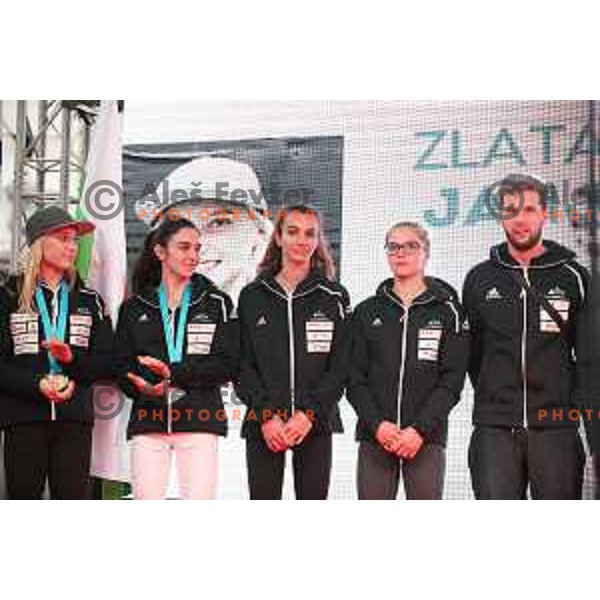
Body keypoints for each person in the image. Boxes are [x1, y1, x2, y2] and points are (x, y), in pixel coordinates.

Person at [463, 173, 598, 499]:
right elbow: (474, 355)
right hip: (494, 432)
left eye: (528, 210)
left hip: (557, 429)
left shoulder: (576, 278)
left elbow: (591, 362)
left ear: (545, 213)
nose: (519, 220)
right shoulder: (479, 279)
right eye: (510, 210)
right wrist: (497, 398)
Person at [115, 217, 239, 500]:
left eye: (197, 248)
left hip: (199, 422)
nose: (193, 256)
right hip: (149, 421)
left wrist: (173, 374)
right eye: (184, 247)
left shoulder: (217, 302)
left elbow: (227, 364)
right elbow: (122, 366)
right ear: (160, 252)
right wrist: (142, 386)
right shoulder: (134, 308)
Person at [235, 205, 351, 500]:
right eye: (293, 231)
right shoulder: (252, 296)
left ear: (318, 240)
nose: (302, 240)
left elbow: (340, 368)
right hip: (264, 425)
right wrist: (267, 416)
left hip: (315, 423)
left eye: (310, 233)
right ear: (278, 238)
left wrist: (307, 415)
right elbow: (242, 365)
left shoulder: (335, 297)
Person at [348, 222, 468, 500]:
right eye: (393, 246)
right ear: (387, 253)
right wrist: (378, 425)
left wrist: (419, 430)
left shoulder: (450, 312)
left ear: (425, 252)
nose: (401, 253)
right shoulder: (366, 312)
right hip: (375, 438)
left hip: (425, 440)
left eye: (410, 246)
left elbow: (452, 381)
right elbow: (354, 379)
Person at [0, 206, 113, 499]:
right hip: (23, 420)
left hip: (74, 421)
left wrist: (71, 362)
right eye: (64, 238)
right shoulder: (8, 295)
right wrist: (35, 384)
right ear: (39, 242)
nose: (72, 247)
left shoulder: (91, 300)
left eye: (75, 241)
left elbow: (107, 363)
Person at [138, 156, 274, 304]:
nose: (197, 244)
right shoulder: (140, 313)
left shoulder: (287, 311)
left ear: (259, 233)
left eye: (219, 222)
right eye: (178, 228)